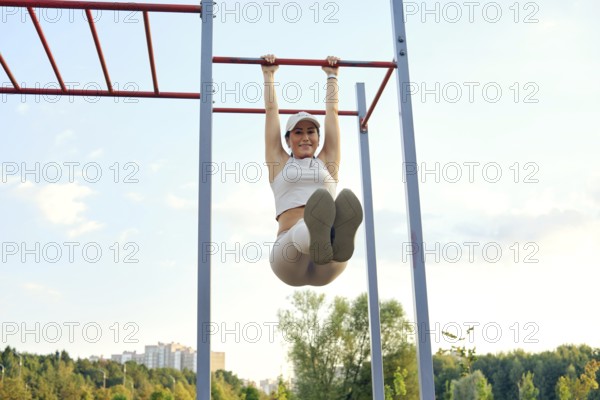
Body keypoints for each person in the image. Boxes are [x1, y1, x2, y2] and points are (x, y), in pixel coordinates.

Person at [262, 54, 363, 286]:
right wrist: (269, 74)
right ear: (288, 140)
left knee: (323, 227)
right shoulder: (279, 162)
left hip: (328, 264)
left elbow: (332, 114)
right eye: (298, 132)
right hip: (288, 256)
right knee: (305, 228)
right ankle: (318, 235)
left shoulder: (327, 162)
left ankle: (332, 238)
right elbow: (270, 111)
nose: (305, 137)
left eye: (311, 131)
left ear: (318, 137)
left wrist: (332, 76)